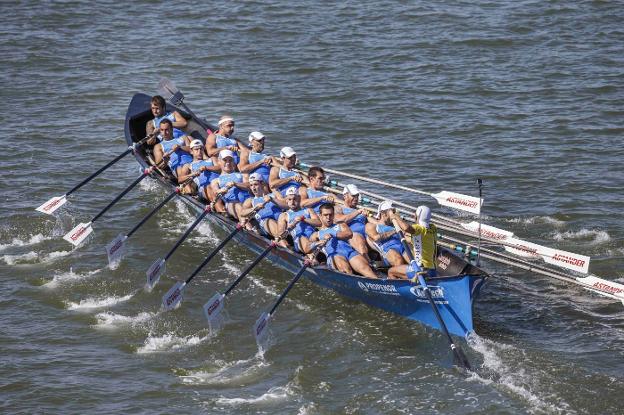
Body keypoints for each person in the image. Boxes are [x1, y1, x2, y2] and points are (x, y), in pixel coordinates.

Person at [310, 203, 377, 278]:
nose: (328, 217)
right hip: (335, 255)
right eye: (326, 215)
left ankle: (379, 284)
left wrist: (333, 233)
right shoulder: (316, 234)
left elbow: (349, 234)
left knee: (365, 268)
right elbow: (308, 248)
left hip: (349, 252)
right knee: (346, 270)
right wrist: (318, 244)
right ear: (320, 216)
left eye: (331, 215)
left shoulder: (341, 224)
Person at [387, 206, 438, 280]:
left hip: (420, 270)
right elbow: (412, 236)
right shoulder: (433, 228)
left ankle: (402, 289)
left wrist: (395, 216)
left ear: (417, 216)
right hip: (433, 271)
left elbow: (406, 228)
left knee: (391, 271)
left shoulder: (419, 229)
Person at [365, 201, 410, 272]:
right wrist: (395, 231)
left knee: (415, 262)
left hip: (402, 247)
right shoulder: (372, 226)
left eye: (394, 212)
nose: (393, 215)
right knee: (398, 260)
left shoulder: (395, 226)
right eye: (392, 213)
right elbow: (375, 238)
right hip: (388, 250)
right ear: (383, 214)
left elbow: (409, 239)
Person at [276, 186, 320, 254]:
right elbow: (280, 234)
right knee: (302, 237)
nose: (292, 202)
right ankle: (312, 256)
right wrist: (285, 246)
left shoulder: (308, 210)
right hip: (299, 240)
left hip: (313, 236)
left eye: (294, 199)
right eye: (289, 199)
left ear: (299, 199)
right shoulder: (284, 215)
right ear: (286, 200)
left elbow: (318, 223)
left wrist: (304, 219)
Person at [238, 173, 284, 237]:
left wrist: (273, 200)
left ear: (262, 184)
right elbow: (242, 213)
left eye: (255, 184)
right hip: (266, 225)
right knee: (269, 221)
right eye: (251, 185)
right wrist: (254, 208)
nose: (253, 188)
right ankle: (282, 242)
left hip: (281, 222)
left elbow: (286, 206)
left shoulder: (275, 194)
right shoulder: (250, 200)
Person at [335, 184, 372, 262]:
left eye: (357, 196)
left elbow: (376, 223)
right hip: (352, 235)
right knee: (358, 238)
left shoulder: (362, 211)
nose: (356, 199)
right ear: (345, 196)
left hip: (367, 235)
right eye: (353, 196)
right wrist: (358, 212)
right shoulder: (339, 208)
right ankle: (369, 264)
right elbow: (340, 220)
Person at [210, 149, 251, 218]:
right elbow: (216, 191)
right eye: (225, 160)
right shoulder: (216, 180)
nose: (228, 163)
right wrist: (221, 190)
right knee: (237, 206)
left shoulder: (243, 175)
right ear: (219, 161)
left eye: (230, 160)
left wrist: (236, 184)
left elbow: (249, 186)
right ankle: (248, 227)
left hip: (247, 202)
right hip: (231, 205)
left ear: (234, 162)